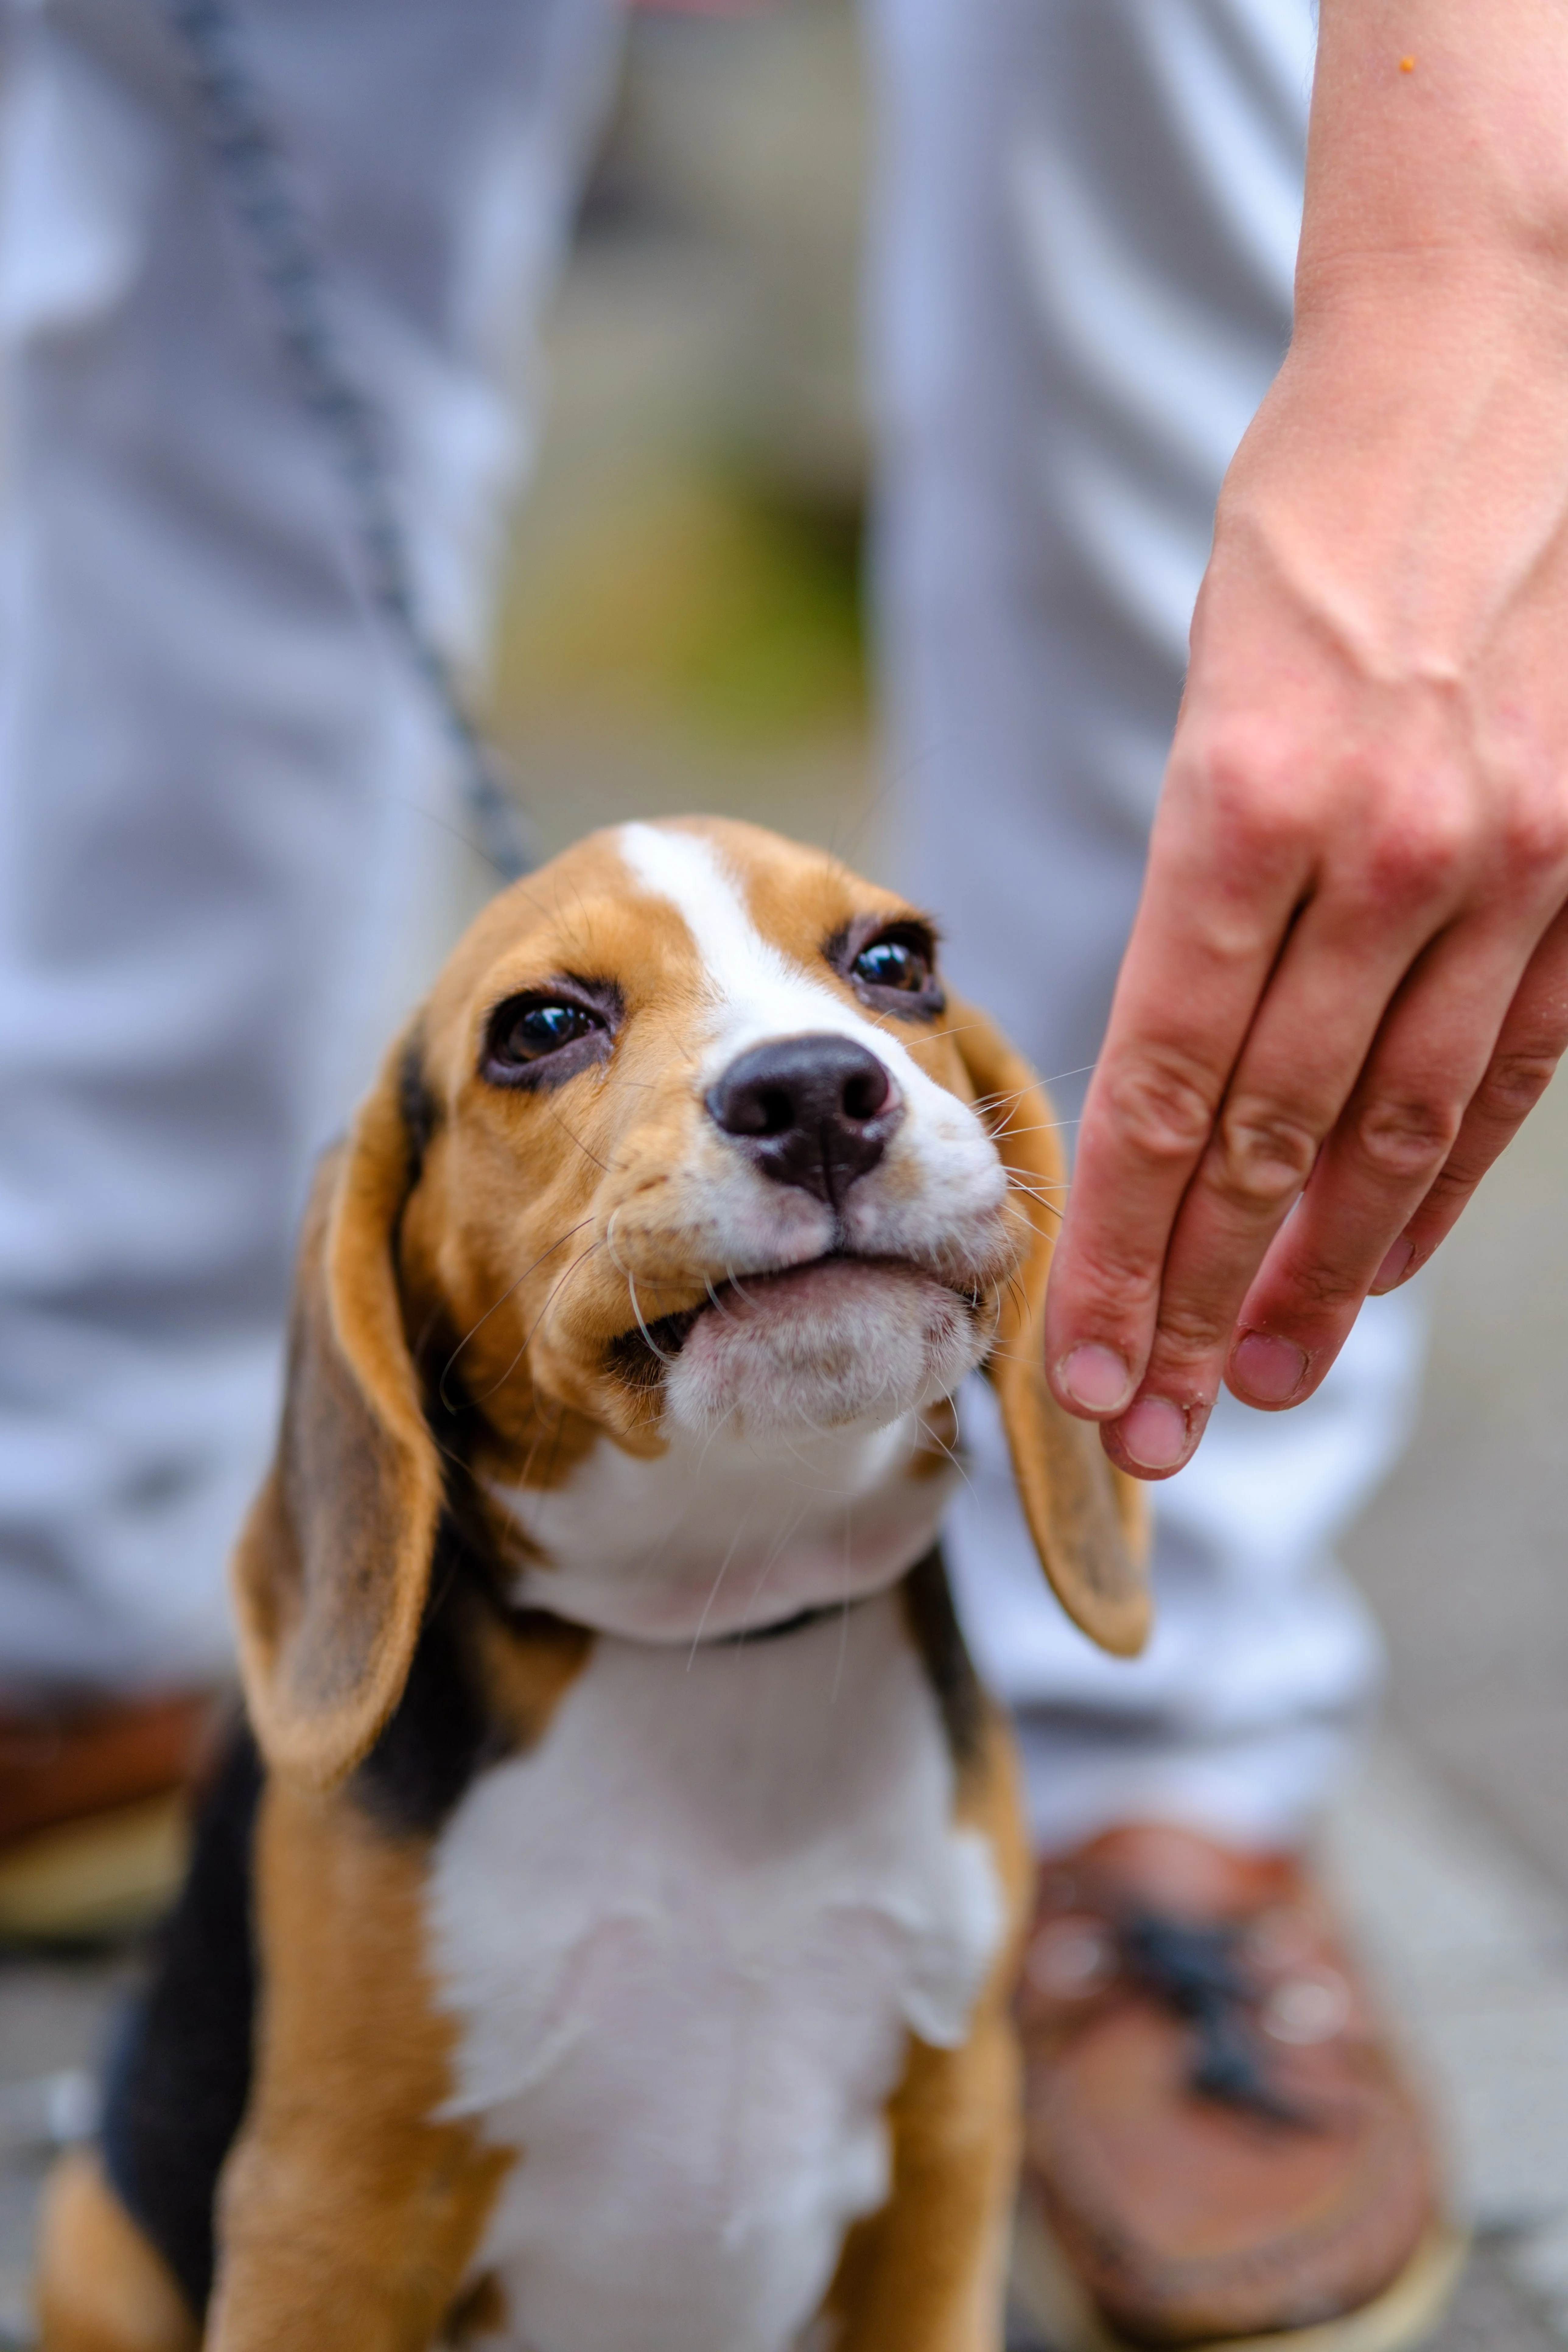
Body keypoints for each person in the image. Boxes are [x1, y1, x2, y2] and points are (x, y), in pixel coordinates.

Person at [3, 0, 1567, 2338]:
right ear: (391, 1288)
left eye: (883, 978)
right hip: (420, 1759)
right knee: (213, 212)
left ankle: (1166, 1767)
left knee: (1149, 132)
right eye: (548, 1035)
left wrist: (1483, 303)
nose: (812, 1072)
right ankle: (99, 1581)